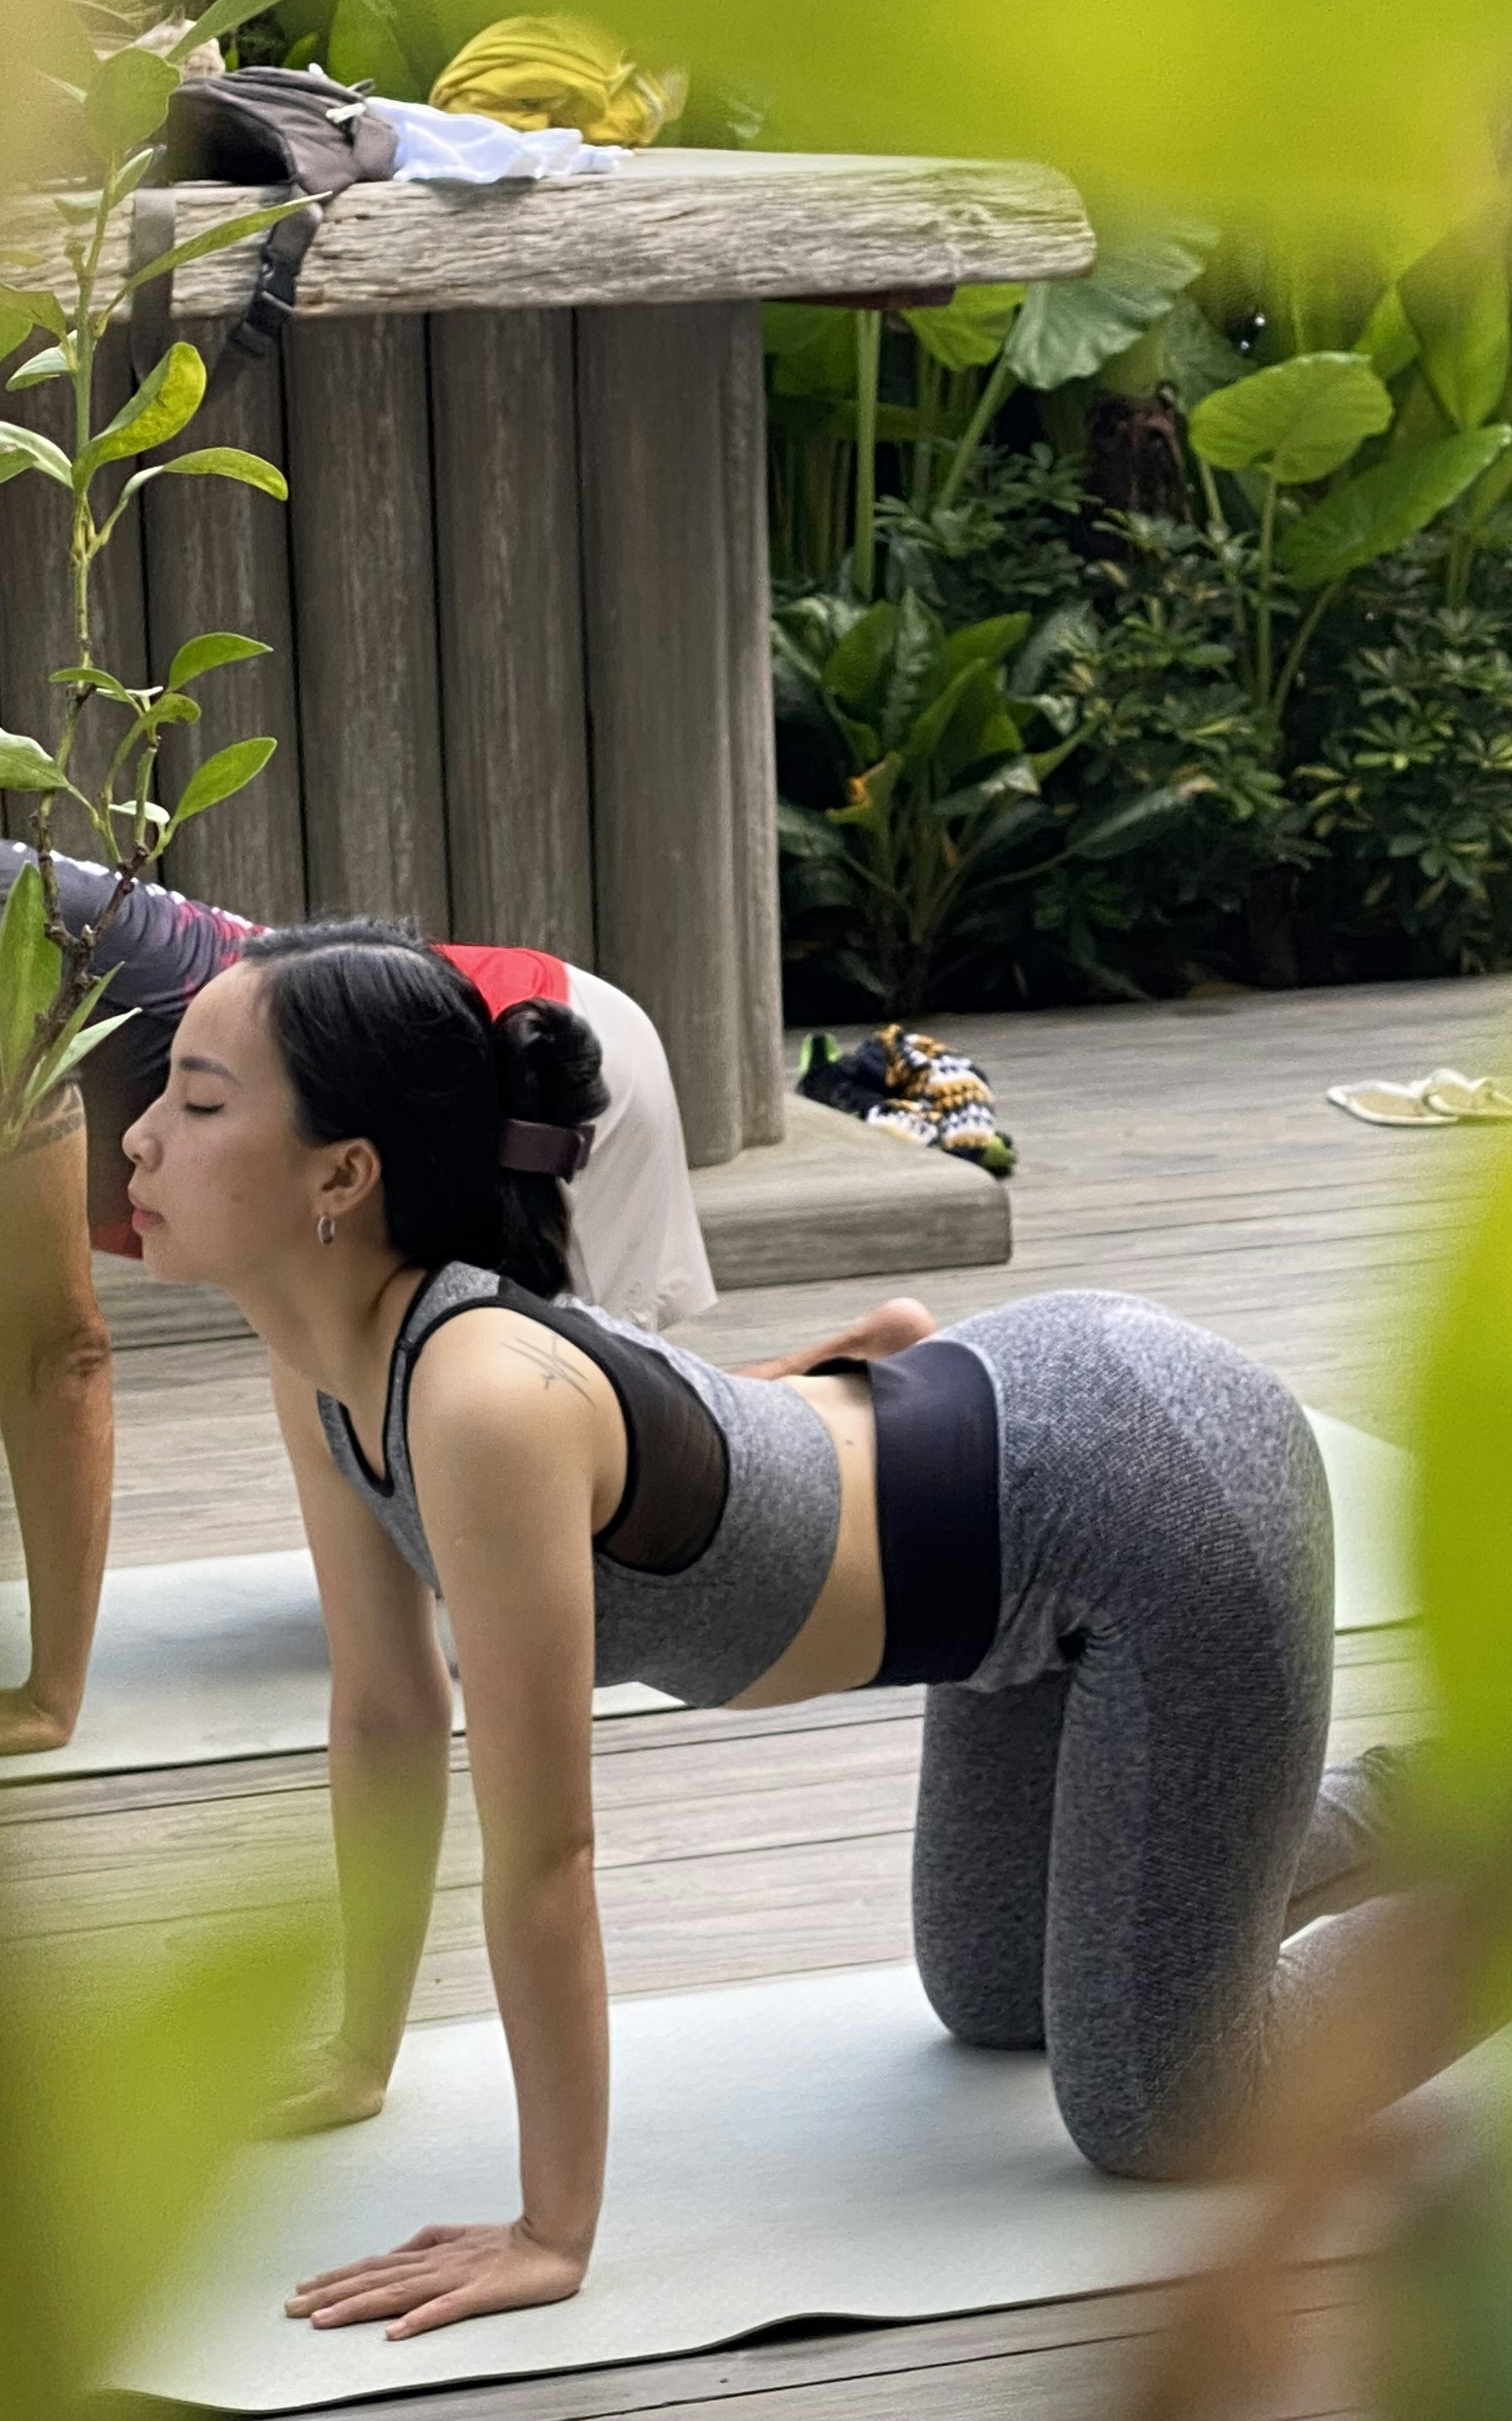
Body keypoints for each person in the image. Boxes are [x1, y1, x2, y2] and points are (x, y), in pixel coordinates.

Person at [117, 918, 1372, 2339]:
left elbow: (548, 1854)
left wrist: (551, 2230)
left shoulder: (476, 1399)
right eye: (165, 1090)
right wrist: (357, 2050)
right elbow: (389, 1712)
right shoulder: (328, 1367)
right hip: (1014, 1507)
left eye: (200, 1102)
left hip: (1161, 1505)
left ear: (345, 1175)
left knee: (1163, 2106)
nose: (139, 1140)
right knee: (994, 1996)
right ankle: (1271, 1823)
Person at [0, 760, 907, 1766]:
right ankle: (842, 1377)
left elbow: (59, 1345)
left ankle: (853, 1390)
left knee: (618, 1552)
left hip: (536, 1069)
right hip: (424, 1107)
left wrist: (49, 1696)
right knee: (511, 1503)